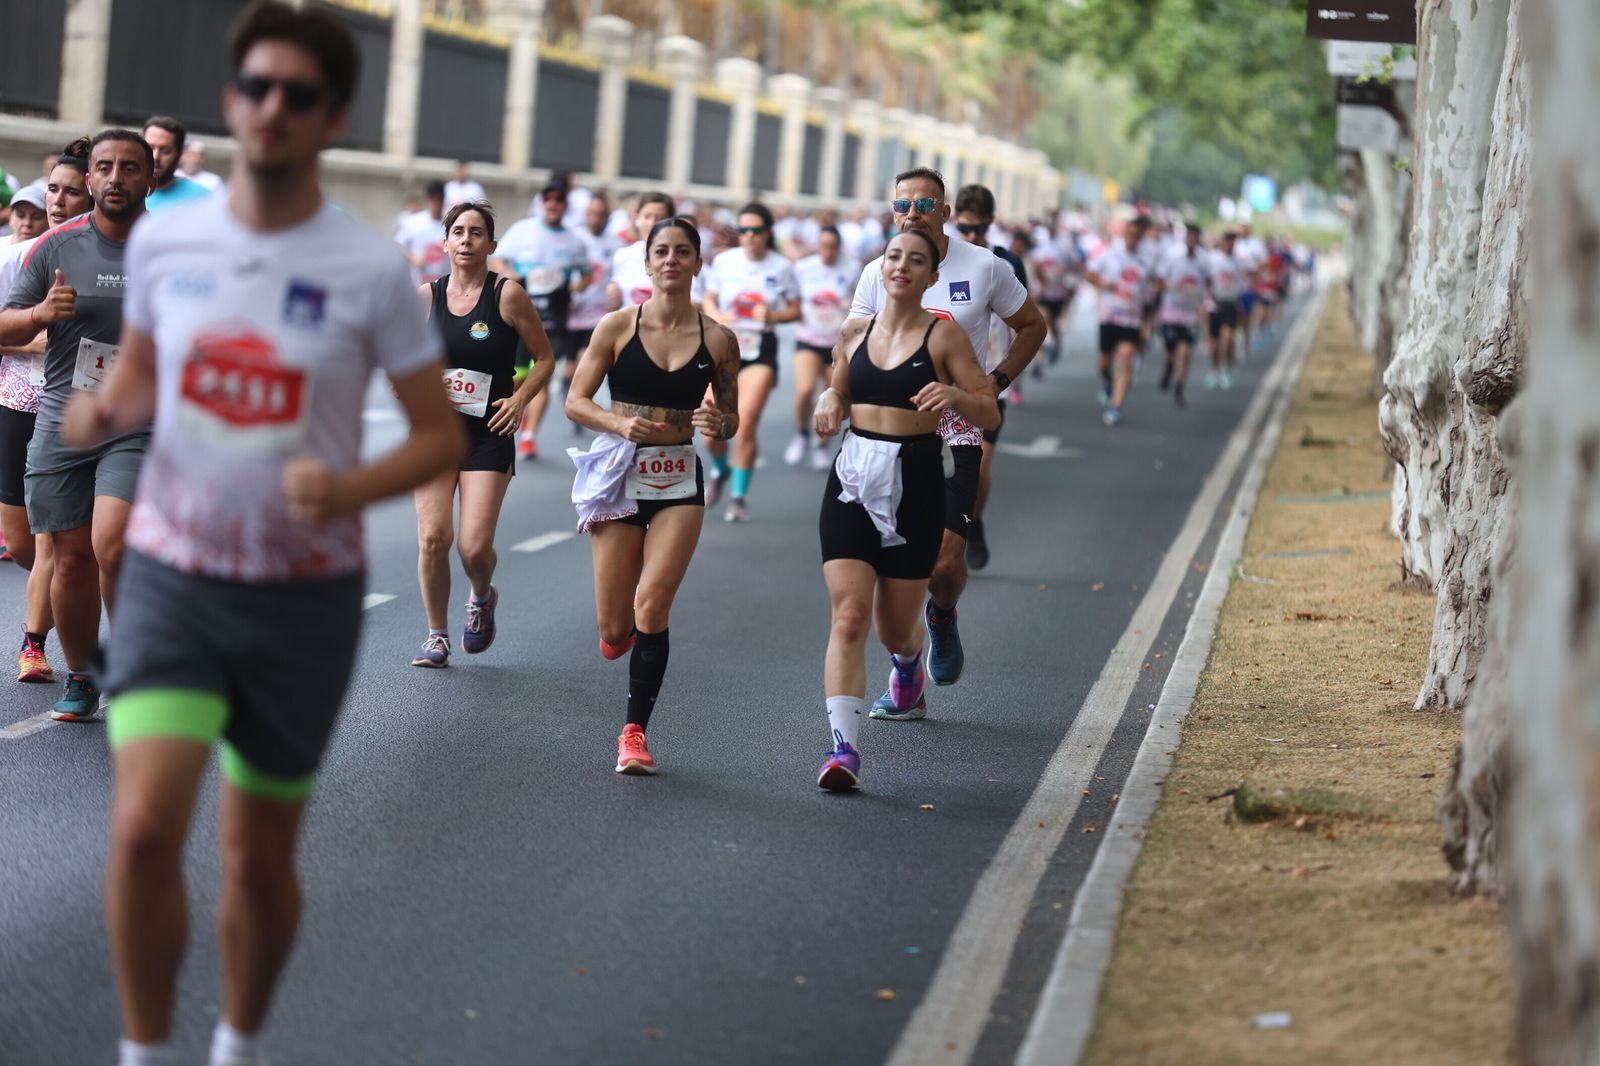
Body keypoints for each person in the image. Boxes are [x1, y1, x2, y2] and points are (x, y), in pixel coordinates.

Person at [65, 6, 466, 1065]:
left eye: (298, 94)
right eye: (255, 88)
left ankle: (236, 1042)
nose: (270, 110)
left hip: (301, 598)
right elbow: (147, 364)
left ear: (333, 116)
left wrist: (345, 490)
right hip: (170, 574)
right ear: (232, 102)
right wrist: (102, 408)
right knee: (145, 830)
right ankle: (145, 1052)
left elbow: (434, 438)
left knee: (252, 860)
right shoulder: (170, 234)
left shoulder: (369, 269)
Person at [848, 168, 1045, 713]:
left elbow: (1032, 325)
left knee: (941, 563)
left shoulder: (984, 267)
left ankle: (942, 614)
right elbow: (851, 345)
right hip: (885, 433)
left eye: (924, 202)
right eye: (902, 204)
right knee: (890, 563)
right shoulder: (876, 271)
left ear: (946, 213)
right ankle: (904, 674)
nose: (912, 212)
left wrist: (995, 383)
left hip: (955, 428)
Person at [813, 230, 1000, 789]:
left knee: (894, 630)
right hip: (851, 477)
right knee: (848, 616)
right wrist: (829, 400)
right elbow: (838, 390)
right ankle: (843, 751)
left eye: (915, 260)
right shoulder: (852, 332)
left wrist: (957, 398)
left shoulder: (943, 338)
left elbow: (988, 411)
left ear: (930, 275)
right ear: (881, 267)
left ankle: (908, 661)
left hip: (915, 481)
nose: (901, 267)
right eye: (894, 257)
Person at [565, 215, 740, 774]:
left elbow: (730, 420)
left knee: (652, 604)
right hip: (619, 476)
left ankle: (634, 733)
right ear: (647, 263)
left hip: (679, 478)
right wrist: (618, 426)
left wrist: (719, 420)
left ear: (696, 263)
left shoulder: (718, 339)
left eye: (682, 251)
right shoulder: (617, 326)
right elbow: (575, 401)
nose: (671, 260)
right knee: (616, 628)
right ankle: (618, 638)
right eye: (661, 251)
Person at [0, 129, 154, 720]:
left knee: (109, 542)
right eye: (105, 167)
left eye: (130, 167)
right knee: (68, 558)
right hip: (64, 418)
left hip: (138, 422)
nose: (116, 177)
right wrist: (41, 313)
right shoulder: (57, 245)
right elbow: (6, 324)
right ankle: (84, 674)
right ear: (90, 178)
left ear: (150, 179)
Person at [411, 200, 554, 668]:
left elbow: (545, 358)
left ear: (491, 245)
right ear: (445, 242)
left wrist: (519, 400)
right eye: (458, 231)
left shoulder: (508, 295)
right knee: (434, 537)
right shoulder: (425, 296)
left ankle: (481, 595)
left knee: (473, 547)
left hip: (488, 432)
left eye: (476, 233)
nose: (466, 240)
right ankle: (436, 636)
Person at [0, 155, 92, 683]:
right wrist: (36, 332)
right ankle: (72, 585)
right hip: (16, 400)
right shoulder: (14, 259)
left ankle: (33, 643)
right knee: (21, 544)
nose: (58, 202)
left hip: (71, 409)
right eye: (52, 191)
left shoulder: (102, 259)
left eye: (70, 193)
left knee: (56, 542)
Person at [950, 183, 1032, 572]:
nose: (971, 237)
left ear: (991, 223)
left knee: (980, 470)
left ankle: (972, 522)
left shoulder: (1006, 264)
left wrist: (1001, 377)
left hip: (985, 384)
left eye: (979, 228)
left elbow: (1027, 323)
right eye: (964, 228)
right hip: (938, 383)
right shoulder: (940, 258)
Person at [702, 201, 800, 522]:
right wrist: (716, 315)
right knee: (709, 431)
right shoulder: (725, 262)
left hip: (760, 351)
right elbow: (710, 298)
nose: (748, 236)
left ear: (767, 233)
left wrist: (773, 315)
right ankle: (720, 470)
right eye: (743, 230)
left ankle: (738, 498)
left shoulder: (781, 267)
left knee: (744, 424)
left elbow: (796, 310)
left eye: (755, 231)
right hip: (723, 348)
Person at [493, 181, 590, 456]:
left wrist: (572, 289)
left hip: (554, 320)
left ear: (565, 206)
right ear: (542, 202)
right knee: (519, 379)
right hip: (519, 318)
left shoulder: (574, 241)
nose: (552, 204)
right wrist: (511, 276)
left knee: (542, 376)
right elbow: (498, 259)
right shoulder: (523, 231)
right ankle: (520, 409)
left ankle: (529, 437)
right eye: (548, 198)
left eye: (558, 199)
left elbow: (586, 274)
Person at [786, 224, 859, 471]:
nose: (828, 251)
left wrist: (848, 304)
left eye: (832, 246)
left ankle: (821, 445)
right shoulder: (804, 268)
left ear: (839, 247)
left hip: (837, 344)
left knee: (830, 395)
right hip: (808, 336)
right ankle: (801, 434)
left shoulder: (852, 268)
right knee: (805, 390)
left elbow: (859, 303)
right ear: (818, 246)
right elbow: (792, 297)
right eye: (824, 246)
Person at [1086, 215, 1152, 427]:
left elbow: (1155, 287)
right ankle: (1108, 382)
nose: (1133, 237)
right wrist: (1104, 284)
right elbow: (1089, 274)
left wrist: (1148, 321)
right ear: (1124, 234)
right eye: (1130, 233)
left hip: (1131, 319)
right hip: (1109, 316)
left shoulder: (1146, 261)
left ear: (1141, 236)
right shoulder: (1110, 254)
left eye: (1137, 234)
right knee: (1104, 364)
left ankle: (1116, 406)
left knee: (1125, 361)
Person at [1153, 223, 1208, 407]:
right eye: (1189, 236)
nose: (1192, 241)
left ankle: (1179, 386)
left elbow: (1208, 284)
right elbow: (1159, 282)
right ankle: (1168, 367)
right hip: (1171, 310)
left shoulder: (1203, 260)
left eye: (1195, 237)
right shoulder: (1172, 256)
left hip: (1191, 313)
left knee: (1185, 351)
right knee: (1171, 351)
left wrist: (1204, 302)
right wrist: (1173, 287)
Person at [142, 116, 213, 210]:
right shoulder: (124, 192)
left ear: (179, 154)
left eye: (166, 151)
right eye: (150, 148)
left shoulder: (201, 197)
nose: (155, 157)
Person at [1205, 230, 1244, 388]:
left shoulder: (1237, 262)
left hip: (1230, 304)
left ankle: (1226, 369)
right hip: (1215, 304)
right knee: (1214, 343)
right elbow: (1206, 280)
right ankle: (1215, 370)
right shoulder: (1213, 259)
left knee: (1227, 339)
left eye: (1232, 242)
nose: (1229, 245)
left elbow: (1241, 282)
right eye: (1227, 242)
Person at [395, 179, 448, 285]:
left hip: (443, 285)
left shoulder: (451, 223)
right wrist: (413, 259)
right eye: (433, 199)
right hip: (418, 283)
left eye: (439, 199)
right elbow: (397, 245)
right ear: (428, 200)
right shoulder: (413, 221)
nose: (436, 204)